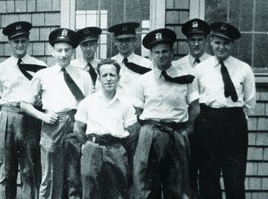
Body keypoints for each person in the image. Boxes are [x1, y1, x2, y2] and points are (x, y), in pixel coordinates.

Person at [20, 28, 93, 199]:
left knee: (75, 177)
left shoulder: (83, 76)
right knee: (50, 177)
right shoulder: (43, 75)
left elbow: (90, 104)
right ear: (52, 51)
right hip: (52, 126)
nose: (63, 55)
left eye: (67, 50)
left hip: (76, 124)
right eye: (59, 50)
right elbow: (24, 103)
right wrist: (43, 116)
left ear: (73, 51)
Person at [133, 28, 200, 199]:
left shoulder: (186, 78)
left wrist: (185, 131)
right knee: (147, 186)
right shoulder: (143, 80)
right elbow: (137, 110)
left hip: (176, 134)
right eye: (157, 52)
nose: (161, 55)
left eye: (165, 51)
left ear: (171, 53)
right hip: (150, 134)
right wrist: (148, 131)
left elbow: (194, 108)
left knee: (178, 188)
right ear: (151, 55)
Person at [194, 22, 256, 199]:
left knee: (235, 176)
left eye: (226, 43)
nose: (221, 47)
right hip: (208, 121)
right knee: (208, 175)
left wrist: (235, 120)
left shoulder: (244, 69)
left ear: (232, 45)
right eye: (217, 42)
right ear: (211, 42)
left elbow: (250, 102)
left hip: (234, 123)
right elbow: (195, 99)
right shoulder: (201, 69)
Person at [0, 21, 47, 199]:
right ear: (10, 44)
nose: (20, 45)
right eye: (16, 42)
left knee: (30, 170)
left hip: (30, 119)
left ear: (28, 41)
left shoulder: (40, 67)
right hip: (7, 117)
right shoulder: (1, 68)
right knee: (6, 171)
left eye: (23, 41)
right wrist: (10, 114)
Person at [73, 58, 138, 199]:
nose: (108, 79)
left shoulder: (125, 104)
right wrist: (89, 144)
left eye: (112, 75)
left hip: (116, 149)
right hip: (93, 148)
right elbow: (78, 129)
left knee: (118, 192)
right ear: (99, 78)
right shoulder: (88, 102)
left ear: (118, 78)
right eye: (105, 75)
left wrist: (119, 147)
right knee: (90, 192)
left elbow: (133, 132)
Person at [173, 18, 211, 199]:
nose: (196, 43)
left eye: (200, 39)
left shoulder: (213, 64)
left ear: (206, 41)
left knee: (207, 174)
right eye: (192, 39)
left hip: (209, 124)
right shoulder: (178, 66)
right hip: (186, 126)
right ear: (187, 41)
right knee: (185, 174)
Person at [108, 22, 152, 97]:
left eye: (127, 40)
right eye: (120, 40)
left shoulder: (146, 64)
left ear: (134, 41)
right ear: (115, 42)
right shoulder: (109, 64)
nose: (124, 44)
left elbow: (151, 90)